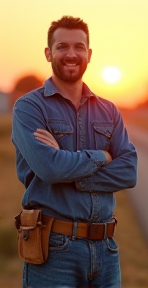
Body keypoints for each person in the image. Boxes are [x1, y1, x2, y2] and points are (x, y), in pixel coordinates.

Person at [12, 15, 137, 288]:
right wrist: (101, 157)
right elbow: (49, 168)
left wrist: (68, 171)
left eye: (79, 47)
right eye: (62, 47)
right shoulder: (29, 108)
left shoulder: (109, 111)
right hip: (54, 250)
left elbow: (129, 171)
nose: (71, 54)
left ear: (89, 54)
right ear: (48, 53)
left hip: (106, 250)